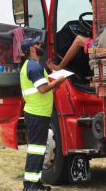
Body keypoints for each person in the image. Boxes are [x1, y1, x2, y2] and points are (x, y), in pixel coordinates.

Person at [20, 36, 65, 191]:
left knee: (38, 150)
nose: (41, 45)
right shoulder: (33, 67)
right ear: (32, 49)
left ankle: (35, 183)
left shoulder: (35, 66)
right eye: (37, 44)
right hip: (37, 115)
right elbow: (43, 89)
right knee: (36, 150)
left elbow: (46, 87)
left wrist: (54, 82)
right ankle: (30, 185)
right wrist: (59, 81)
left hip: (39, 114)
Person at [47, 0, 93, 72]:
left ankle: (59, 67)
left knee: (78, 40)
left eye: (92, 6)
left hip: (98, 45)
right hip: (100, 42)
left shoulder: (99, 17)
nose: (92, 9)